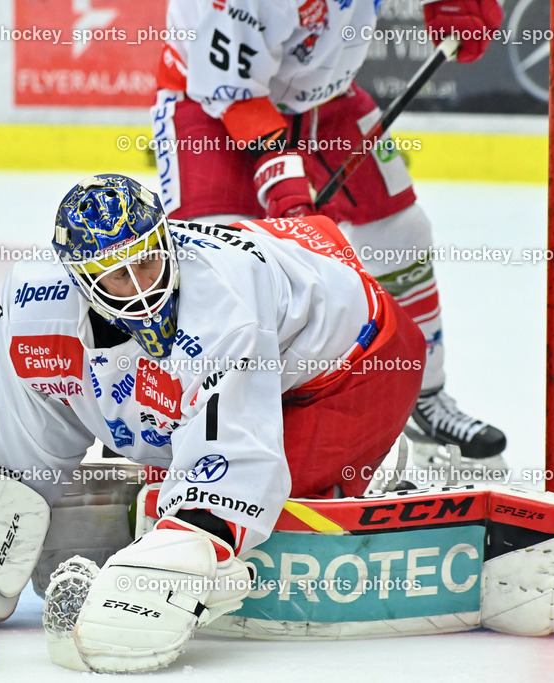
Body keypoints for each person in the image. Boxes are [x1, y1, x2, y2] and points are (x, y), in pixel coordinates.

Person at [0, 174, 425, 672]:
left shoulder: (221, 300)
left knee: (250, 522)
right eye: (115, 276)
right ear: (80, 281)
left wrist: (185, 551)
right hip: (254, 344)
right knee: (67, 541)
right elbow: (23, 447)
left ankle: (355, 479)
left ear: (166, 240)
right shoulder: (33, 304)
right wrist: (1, 516)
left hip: (352, 365)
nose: (142, 288)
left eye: (147, 262)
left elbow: (234, 469)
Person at [151, 0, 507, 465]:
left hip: (325, 99)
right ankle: (207, 426)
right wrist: (282, 179)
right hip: (209, 103)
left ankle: (425, 397)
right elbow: (231, 90)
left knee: (402, 231)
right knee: (215, 263)